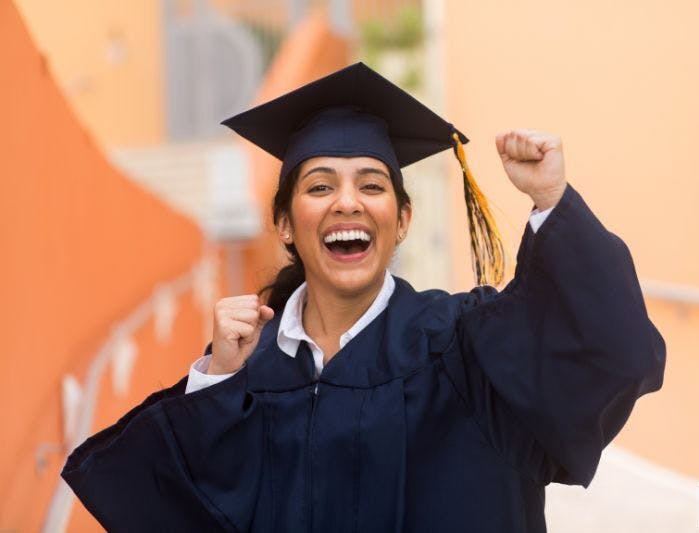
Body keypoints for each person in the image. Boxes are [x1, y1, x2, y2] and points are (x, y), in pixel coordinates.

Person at [62, 62, 666, 532]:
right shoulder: (246, 374)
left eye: (371, 185)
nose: (347, 202)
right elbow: (174, 512)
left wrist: (551, 202)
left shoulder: (468, 348)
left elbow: (614, 354)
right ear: (285, 226)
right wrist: (215, 382)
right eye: (320, 185)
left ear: (400, 220)